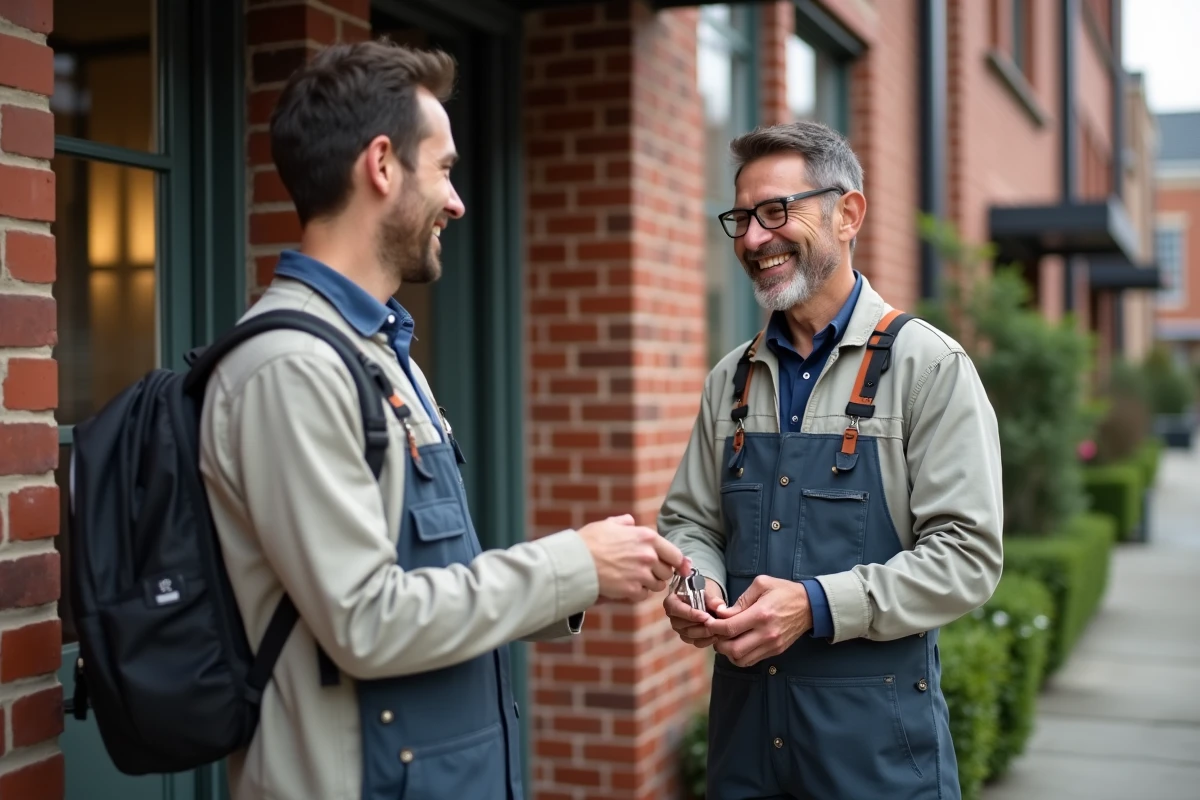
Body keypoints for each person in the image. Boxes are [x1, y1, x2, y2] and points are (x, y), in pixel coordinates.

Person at [198, 41, 688, 800]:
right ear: (383, 164)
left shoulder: (384, 353)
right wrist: (572, 564)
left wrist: (588, 579)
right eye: (447, 168)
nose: (458, 202)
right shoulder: (291, 367)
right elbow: (366, 620)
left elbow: (429, 586)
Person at [659, 120, 1004, 800]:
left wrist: (815, 605)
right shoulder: (730, 380)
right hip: (743, 758)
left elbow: (968, 557)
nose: (754, 239)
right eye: (742, 218)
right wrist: (697, 585)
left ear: (848, 214)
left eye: (776, 212)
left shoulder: (928, 368)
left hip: (876, 766)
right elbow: (690, 519)